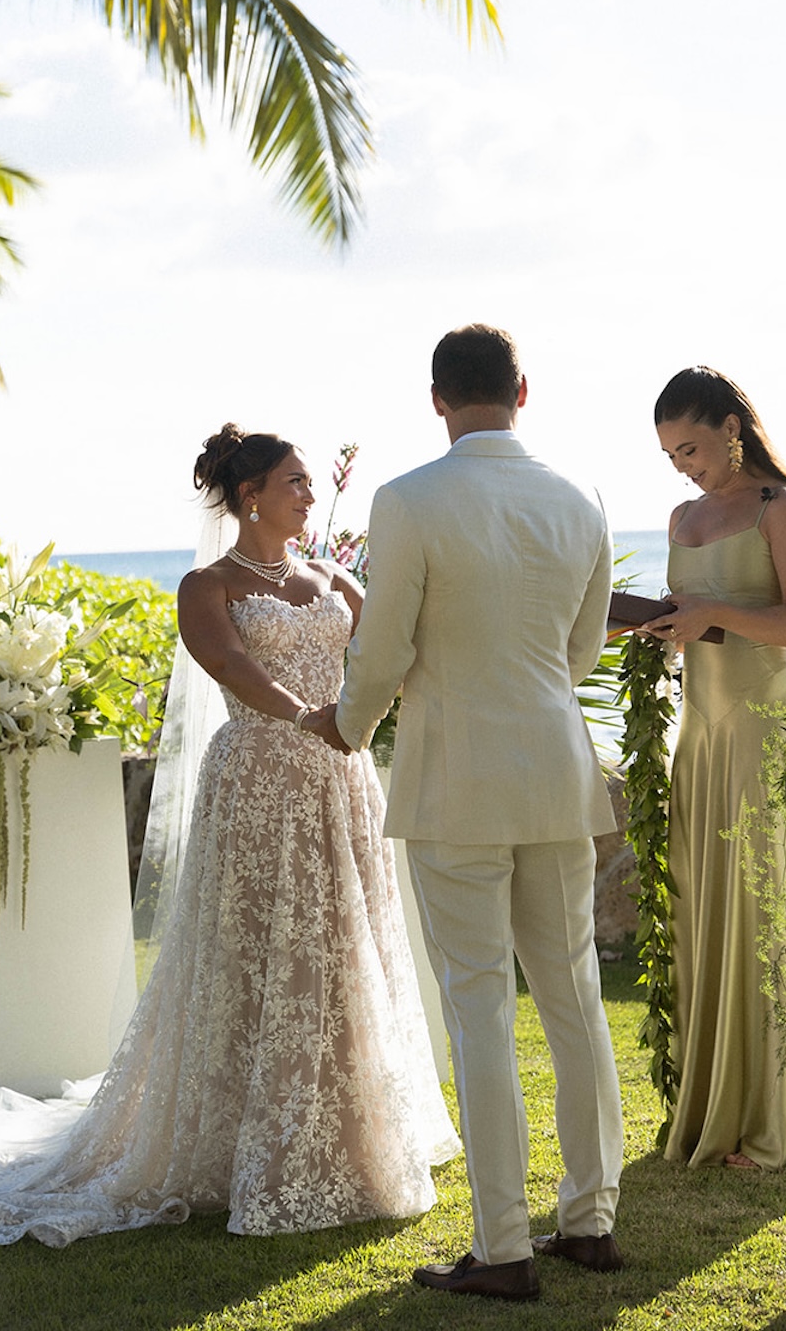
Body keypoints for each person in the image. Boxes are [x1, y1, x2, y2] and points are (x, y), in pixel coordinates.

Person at [0, 425, 458, 1243]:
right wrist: (307, 717)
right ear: (250, 493)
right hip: (260, 779)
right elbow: (229, 666)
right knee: (257, 949)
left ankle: (348, 1134)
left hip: (340, 780)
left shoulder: (333, 576)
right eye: (293, 480)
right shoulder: (206, 585)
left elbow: (392, 649)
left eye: (307, 481)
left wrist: (365, 716)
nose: (308, 492)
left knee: (339, 948)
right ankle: (235, 1142)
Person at [303, 324, 624, 1304]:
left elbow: (384, 647)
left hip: (455, 781)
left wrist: (345, 726)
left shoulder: (407, 500)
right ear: (521, 389)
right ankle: (590, 1221)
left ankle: (500, 1249)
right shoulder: (580, 498)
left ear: (436, 398)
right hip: (554, 770)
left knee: (480, 1006)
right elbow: (578, 650)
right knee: (572, 998)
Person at [641, 366, 786, 1170]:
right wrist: (659, 627)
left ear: (732, 427)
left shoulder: (785, 510)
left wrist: (714, 614)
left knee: (774, 910)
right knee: (707, 907)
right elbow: (694, 620)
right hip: (698, 739)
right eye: (671, 453)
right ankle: (717, 1105)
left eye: (692, 446)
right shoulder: (679, 516)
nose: (683, 465)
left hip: (769, 733)